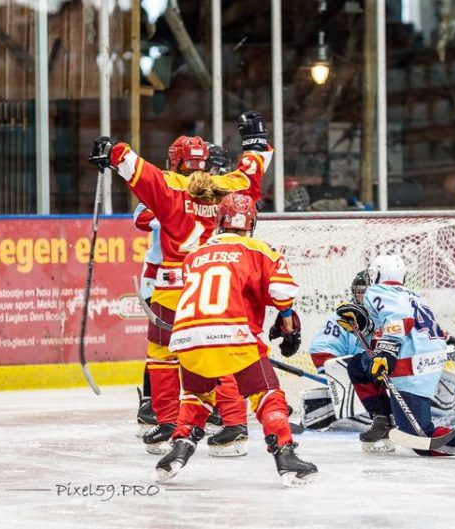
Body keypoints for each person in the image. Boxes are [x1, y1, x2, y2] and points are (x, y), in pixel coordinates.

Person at [88, 112, 272, 455]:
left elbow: (138, 171)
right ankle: (234, 424)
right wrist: (255, 144)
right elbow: (251, 177)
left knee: (161, 357)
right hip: (215, 288)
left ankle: (168, 421)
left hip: (173, 290)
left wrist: (113, 152)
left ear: (176, 161)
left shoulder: (170, 189)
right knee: (221, 355)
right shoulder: (226, 187)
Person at [154, 193, 316, 486]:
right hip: (233, 333)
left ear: (219, 222)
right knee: (267, 393)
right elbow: (282, 294)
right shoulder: (261, 249)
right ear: (251, 223)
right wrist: (289, 325)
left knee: (197, 396)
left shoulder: (195, 255)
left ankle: (177, 451)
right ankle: (286, 454)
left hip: (187, 335)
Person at [335, 255, 455, 459]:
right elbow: (394, 324)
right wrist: (363, 326)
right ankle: (383, 420)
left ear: (375, 273)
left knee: (420, 439)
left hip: (409, 366)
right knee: (359, 366)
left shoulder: (378, 290)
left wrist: (387, 352)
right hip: (429, 363)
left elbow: (399, 319)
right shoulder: (412, 295)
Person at [131, 141, 236, 438]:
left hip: (201, 277)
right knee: (163, 342)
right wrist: (176, 207)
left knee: (203, 341)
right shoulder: (165, 185)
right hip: (162, 277)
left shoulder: (214, 187)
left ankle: (211, 402)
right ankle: (152, 402)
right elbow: (141, 218)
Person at [301, 271, 455, 433]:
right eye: (359, 292)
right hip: (365, 381)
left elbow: (418, 333)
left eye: (366, 291)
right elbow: (321, 351)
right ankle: (382, 417)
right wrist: (338, 382)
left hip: (393, 373)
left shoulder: (391, 308)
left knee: (438, 379)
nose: (363, 297)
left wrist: (449, 342)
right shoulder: (346, 315)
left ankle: (437, 410)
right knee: (358, 367)